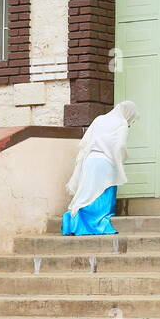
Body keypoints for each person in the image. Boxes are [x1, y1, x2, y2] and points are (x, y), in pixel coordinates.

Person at [62, 101, 138, 236]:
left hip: (90, 160)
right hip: (105, 163)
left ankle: (73, 222)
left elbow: (86, 141)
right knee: (102, 193)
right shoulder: (121, 124)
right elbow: (119, 146)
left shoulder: (99, 119)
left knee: (86, 192)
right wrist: (122, 158)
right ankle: (96, 224)